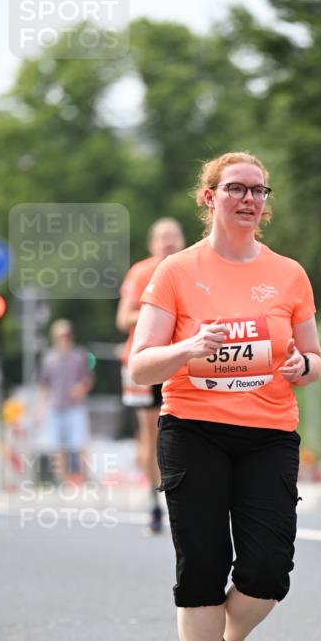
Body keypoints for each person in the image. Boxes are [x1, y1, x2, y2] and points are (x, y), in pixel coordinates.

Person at [129, 151, 321, 641]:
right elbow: (140, 365)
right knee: (202, 567)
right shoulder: (176, 272)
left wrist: (302, 365)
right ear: (209, 196)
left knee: (268, 570)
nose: (249, 199)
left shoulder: (289, 274)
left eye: (258, 190)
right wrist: (187, 349)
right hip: (193, 430)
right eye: (236, 188)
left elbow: (314, 360)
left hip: (268, 434)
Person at [116, 218, 186, 534]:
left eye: (174, 236)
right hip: (144, 361)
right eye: (162, 237)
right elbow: (123, 318)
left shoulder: (191, 270)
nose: (169, 242)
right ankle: (154, 502)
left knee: (185, 430)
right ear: (152, 243)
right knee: (151, 435)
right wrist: (156, 311)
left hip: (180, 360)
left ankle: (182, 497)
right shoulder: (141, 272)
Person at [36, 319, 94, 482]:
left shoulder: (79, 356)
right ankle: (61, 481)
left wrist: (81, 389)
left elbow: (88, 379)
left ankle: (85, 479)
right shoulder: (48, 358)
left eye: (68, 335)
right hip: (55, 406)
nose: (65, 338)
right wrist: (40, 408)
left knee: (80, 444)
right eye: (62, 335)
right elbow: (43, 385)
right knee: (57, 446)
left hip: (75, 407)